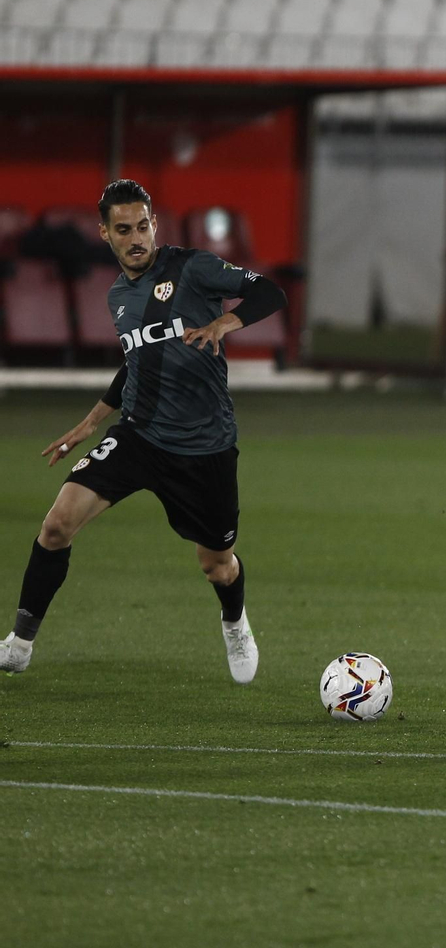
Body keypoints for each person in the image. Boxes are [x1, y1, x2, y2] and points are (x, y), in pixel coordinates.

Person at [1, 180, 287, 680]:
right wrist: (91, 422)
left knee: (217, 565)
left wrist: (226, 324)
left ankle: (235, 620)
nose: (137, 238)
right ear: (105, 234)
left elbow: (270, 291)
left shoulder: (192, 268)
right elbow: (138, 361)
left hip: (204, 446)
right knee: (55, 526)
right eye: (124, 229)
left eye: (143, 226)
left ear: (155, 224)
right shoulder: (117, 295)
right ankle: (19, 645)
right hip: (140, 434)